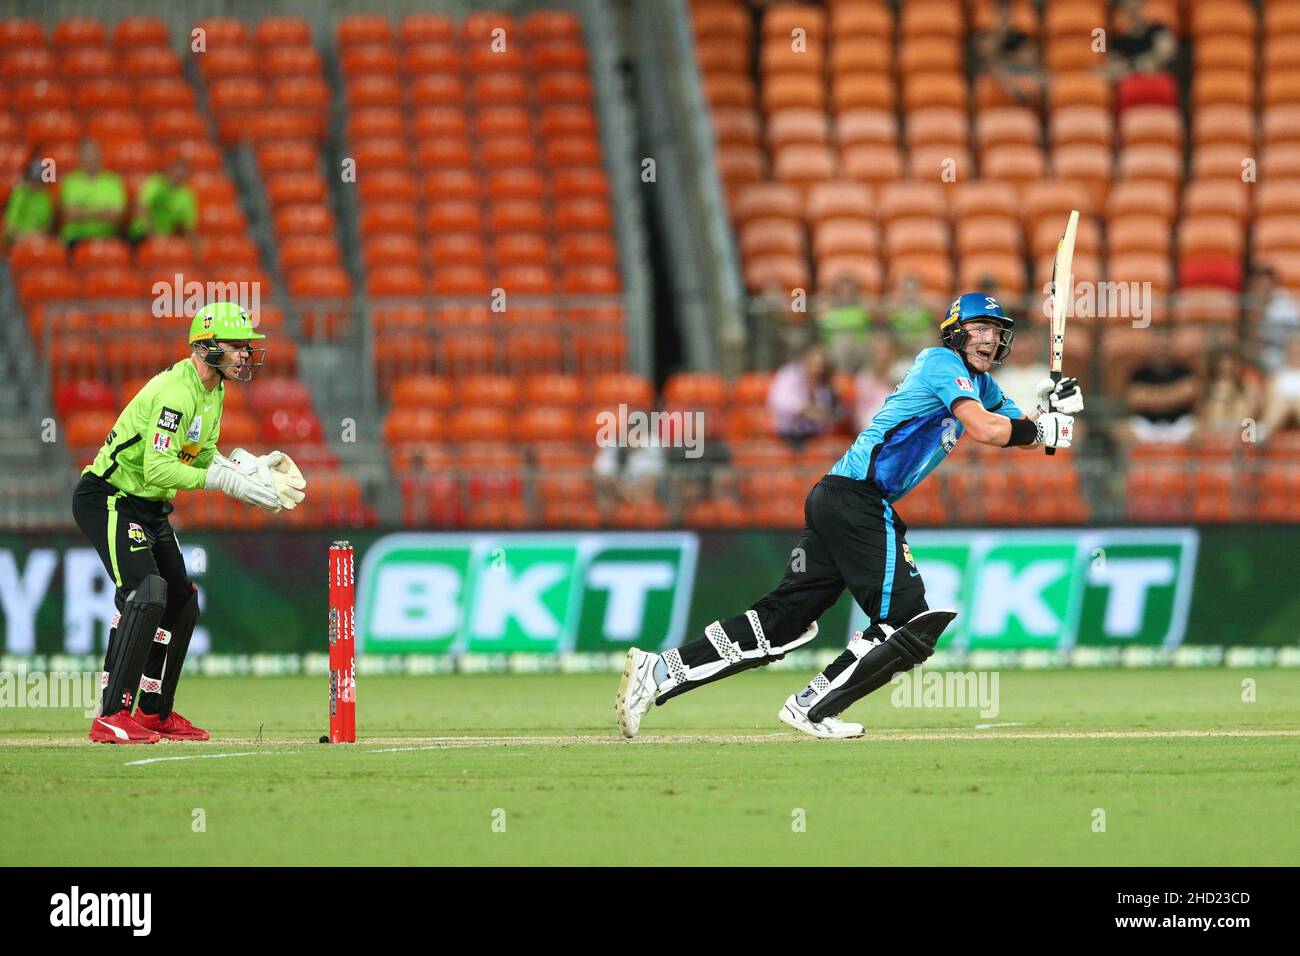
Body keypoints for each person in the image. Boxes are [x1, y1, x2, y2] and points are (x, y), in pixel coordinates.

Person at [615, 293, 1082, 739]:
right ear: (955, 333)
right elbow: (986, 430)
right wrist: (1041, 426)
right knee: (906, 621)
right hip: (855, 499)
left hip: (837, 498)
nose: (988, 339)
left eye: (996, 332)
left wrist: (1054, 411)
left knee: (781, 623)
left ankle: (655, 671)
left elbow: (1025, 433)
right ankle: (814, 705)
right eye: (979, 329)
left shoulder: (981, 385)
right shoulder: (940, 363)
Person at [73, 302, 307, 745]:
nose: (244, 354)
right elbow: (160, 469)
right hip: (109, 498)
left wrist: (240, 470)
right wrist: (220, 479)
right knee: (146, 592)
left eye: (247, 346)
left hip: (150, 507)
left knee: (181, 600)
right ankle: (110, 715)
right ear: (204, 347)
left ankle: (154, 712)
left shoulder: (214, 391)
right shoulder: (175, 393)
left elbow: (197, 454)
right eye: (236, 345)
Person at [1121, 330, 1199, 444]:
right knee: (1123, 431)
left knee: (1200, 431)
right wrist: (1174, 395)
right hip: (1148, 425)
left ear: (1171, 348)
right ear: (1151, 348)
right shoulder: (1139, 373)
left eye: (1164, 347)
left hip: (1178, 425)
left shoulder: (1184, 370)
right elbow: (1135, 399)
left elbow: (1190, 393)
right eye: (1157, 346)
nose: (1161, 351)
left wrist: (1151, 397)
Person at [767, 342, 838, 444]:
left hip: (816, 437)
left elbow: (827, 414)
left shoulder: (826, 384)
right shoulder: (789, 375)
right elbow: (779, 401)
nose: (818, 370)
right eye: (814, 365)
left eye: (821, 366)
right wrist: (803, 409)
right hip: (786, 436)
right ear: (805, 361)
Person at [60, 139, 127, 246]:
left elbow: (116, 216)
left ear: (100, 158)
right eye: (87, 158)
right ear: (80, 159)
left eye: (94, 157)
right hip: (75, 238)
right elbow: (70, 214)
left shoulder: (113, 181)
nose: (90, 161)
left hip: (108, 237)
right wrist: (101, 211)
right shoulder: (70, 181)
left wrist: (83, 211)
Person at [128, 153, 198, 243]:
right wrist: (153, 234)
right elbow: (140, 208)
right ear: (170, 169)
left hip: (166, 238)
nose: (179, 174)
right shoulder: (156, 183)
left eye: (183, 172)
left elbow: (189, 227)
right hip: (141, 234)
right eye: (176, 170)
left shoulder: (187, 195)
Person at [1199, 349, 1263, 436]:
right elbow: (1203, 416)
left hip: (1240, 427)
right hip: (1216, 428)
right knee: (1218, 406)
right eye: (1223, 364)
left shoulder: (1248, 387)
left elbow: (1254, 412)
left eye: (1230, 363)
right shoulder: (1207, 388)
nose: (1227, 367)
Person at [1248, 266, 1300, 372]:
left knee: (1271, 359)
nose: (1263, 287)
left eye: (1266, 284)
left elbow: (1294, 329)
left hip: (1282, 348)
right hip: (1262, 347)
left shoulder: (1284, 303)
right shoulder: (1253, 301)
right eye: (1260, 284)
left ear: (1273, 284)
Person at [816, 274, 870, 371]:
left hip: (860, 345)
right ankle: (842, 377)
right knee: (843, 343)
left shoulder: (864, 305)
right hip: (832, 346)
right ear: (836, 291)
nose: (846, 293)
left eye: (849, 291)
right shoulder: (826, 306)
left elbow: (862, 322)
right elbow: (826, 325)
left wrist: (840, 319)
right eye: (842, 290)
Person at [852, 333, 899, 432]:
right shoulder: (864, 379)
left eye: (886, 351)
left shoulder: (903, 374)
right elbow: (861, 416)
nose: (882, 356)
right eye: (877, 352)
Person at [3, 156, 55, 244]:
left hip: (37, 239)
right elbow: (11, 225)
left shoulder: (45, 198)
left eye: (37, 180)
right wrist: (21, 237)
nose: (34, 184)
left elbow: (46, 226)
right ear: (26, 179)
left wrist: (32, 236)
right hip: (16, 240)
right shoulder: (18, 195)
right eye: (31, 179)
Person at [1259, 335, 1300, 440]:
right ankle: (1261, 433)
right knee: (1279, 403)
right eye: (1292, 352)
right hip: (1279, 412)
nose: (1295, 355)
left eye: (1297, 352)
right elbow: (1267, 400)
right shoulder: (1276, 375)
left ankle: (1263, 430)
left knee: (1295, 402)